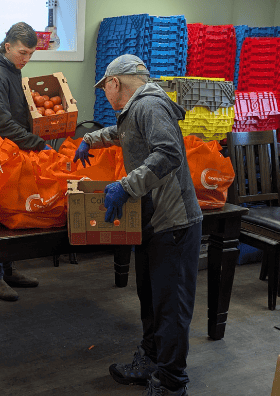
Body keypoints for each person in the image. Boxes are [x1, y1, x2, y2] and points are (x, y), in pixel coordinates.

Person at [73, 55, 202, 396]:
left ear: (115, 83)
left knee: (171, 307)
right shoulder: (137, 110)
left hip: (173, 223)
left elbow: (169, 153)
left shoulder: (149, 106)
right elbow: (123, 134)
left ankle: (172, 384)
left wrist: (126, 186)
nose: (105, 95)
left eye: (105, 89)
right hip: (153, 221)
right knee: (151, 298)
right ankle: (150, 361)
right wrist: (92, 139)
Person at [0, 21, 46, 301]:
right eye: (22, 53)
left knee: (11, 210)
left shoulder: (11, 70)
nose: (26, 59)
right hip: (0, 151)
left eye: (31, 54)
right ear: (7, 47)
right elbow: (1, 122)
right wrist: (37, 143)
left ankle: (8, 269)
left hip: (14, 150)